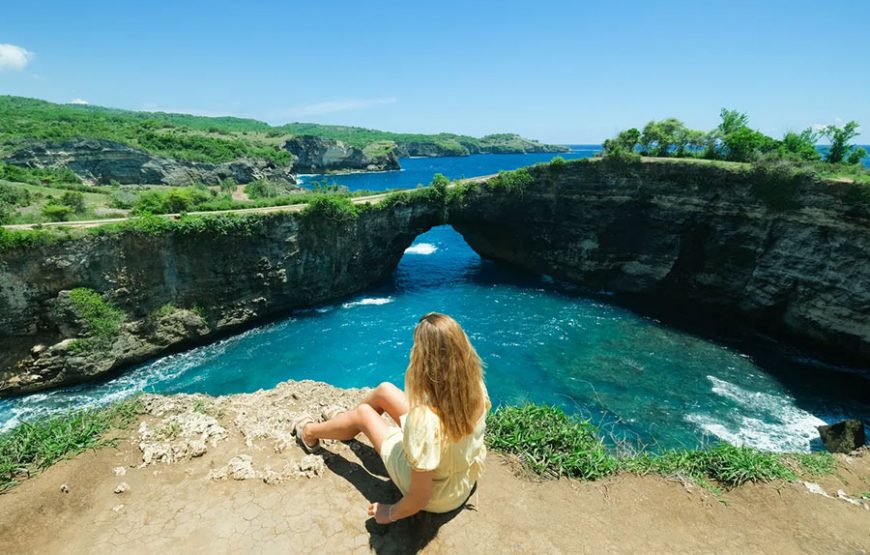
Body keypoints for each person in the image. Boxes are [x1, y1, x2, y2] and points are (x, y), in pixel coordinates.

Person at [294, 312, 490, 524]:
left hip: (440, 496)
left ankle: (309, 433)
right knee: (384, 390)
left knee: (363, 414)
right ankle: (345, 425)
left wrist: (389, 513)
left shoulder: (424, 421)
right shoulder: (475, 387)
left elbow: (420, 498)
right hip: (463, 478)